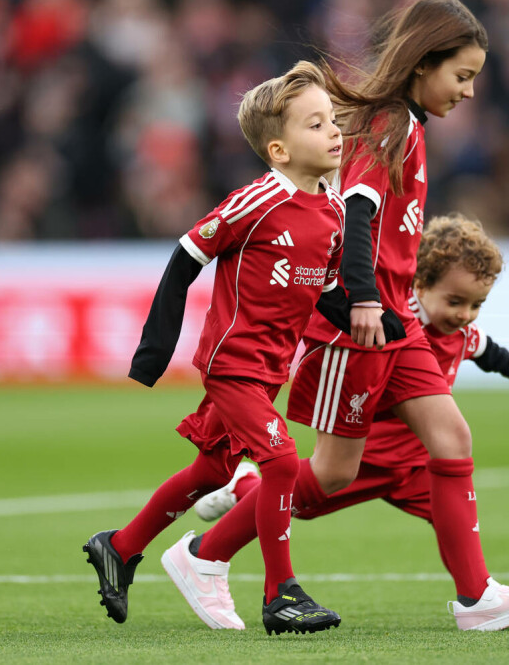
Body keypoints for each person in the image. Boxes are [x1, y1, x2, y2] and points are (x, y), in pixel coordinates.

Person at [170, 0, 509, 632]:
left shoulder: (406, 125)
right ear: (424, 63)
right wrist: (360, 298)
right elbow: (357, 214)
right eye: (462, 75)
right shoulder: (390, 124)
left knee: (451, 437)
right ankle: (204, 555)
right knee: (332, 472)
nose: (468, 91)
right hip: (362, 324)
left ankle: (478, 598)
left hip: (398, 318)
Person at [81, 60, 403, 635]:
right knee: (280, 461)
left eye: (332, 121)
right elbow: (186, 257)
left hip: (270, 369)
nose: (334, 132)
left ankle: (121, 547)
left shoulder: (333, 211)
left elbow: (327, 292)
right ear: (278, 150)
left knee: (212, 470)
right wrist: (153, 353)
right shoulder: (257, 201)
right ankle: (282, 594)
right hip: (232, 366)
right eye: (315, 125)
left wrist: (382, 322)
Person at [189, 213, 509, 631]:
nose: (465, 315)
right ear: (419, 286)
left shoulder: (461, 334)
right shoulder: (397, 330)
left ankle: (478, 596)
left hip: (414, 465)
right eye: (455, 302)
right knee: (301, 502)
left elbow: (485, 349)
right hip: (371, 458)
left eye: (476, 305)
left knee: (453, 507)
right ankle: (221, 525)